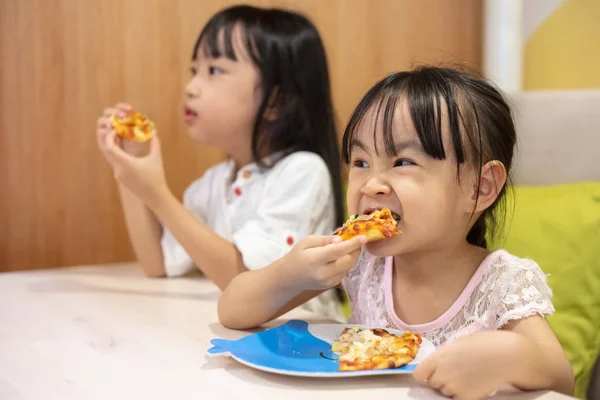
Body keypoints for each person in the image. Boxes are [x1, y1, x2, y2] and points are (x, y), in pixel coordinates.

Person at [217, 66, 574, 398]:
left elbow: (561, 377)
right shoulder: (358, 265)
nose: (371, 184)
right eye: (360, 162)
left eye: (403, 162)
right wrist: (290, 273)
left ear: (480, 187)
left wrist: (510, 355)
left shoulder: (501, 282)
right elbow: (233, 312)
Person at [95, 5, 344, 319]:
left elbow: (246, 282)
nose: (190, 87)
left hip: (302, 346)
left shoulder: (303, 171)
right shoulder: (215, 182)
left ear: (275, 100)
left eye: (214, 70)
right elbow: (157, 264)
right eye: (194, 70)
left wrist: (158, 195)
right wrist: (128, 166)